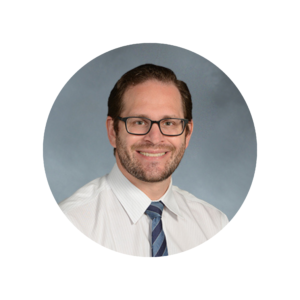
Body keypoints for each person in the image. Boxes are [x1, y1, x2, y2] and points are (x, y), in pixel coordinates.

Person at [59, 63, 228, 257]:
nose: (155, 138)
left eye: (169, 123)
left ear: (187, 133)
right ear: (113, 131)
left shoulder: (213, 225)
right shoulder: (75, 221)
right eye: (139, 122)